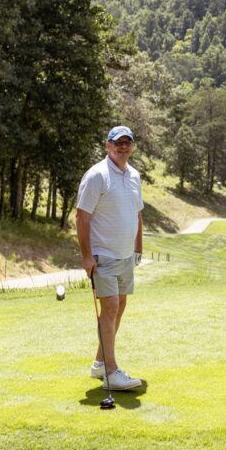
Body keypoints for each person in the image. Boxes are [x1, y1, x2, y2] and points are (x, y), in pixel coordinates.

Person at [76, 125, 145, 392]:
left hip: (125, 255)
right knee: (111, 308)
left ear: (132, 146)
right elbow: (82, 216)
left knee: (120, 305)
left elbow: (137, 213)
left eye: (127, 143)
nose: (122, 147)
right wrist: (86, 256)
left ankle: (99, 362)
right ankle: (111, 372)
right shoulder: (97, 175)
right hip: (102, 254)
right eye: (118, 143)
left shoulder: (134, 175)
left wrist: (138, 246)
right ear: (108, 145)